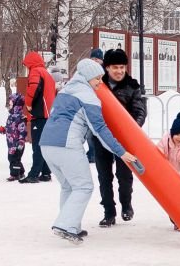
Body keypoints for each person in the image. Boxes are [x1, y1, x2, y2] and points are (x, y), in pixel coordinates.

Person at [39, 59, 137, 243]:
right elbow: (100, 129)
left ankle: (71, 225)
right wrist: (121, 152)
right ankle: (65, 224)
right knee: (84, 186)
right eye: (97, 78)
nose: (100, 82)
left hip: (46, 144)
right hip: (66, 145)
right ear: (86, 77)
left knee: (69, 186)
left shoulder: (65, 91)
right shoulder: (88, 96)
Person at [94, 48, 147, 226]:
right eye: (115, 67)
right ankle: (109, 212)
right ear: (107, 68)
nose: (119, 71)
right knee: (104, 176)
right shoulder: (98, 85)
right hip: (101, 138)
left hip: (124, 140)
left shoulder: (132, 86)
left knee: (124, 175)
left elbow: (140, 111)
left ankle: (126, 205)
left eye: (122, 67)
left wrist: (131, 129)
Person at [20, 51, 56, 183]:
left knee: (38, 146)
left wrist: (28, 105)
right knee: (45, 145)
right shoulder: (46, 73)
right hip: (48, 115)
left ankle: (34, 174)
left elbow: (33, 89)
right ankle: (46, 173)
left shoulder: (35, 72)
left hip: (40, 114)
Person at [4, 94, 27, 182]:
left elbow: (22, 130)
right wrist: (3, 129)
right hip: (10, 143)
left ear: (16, 104)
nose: (9, 105)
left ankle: (14, 174)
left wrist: (21, 140)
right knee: (12, 158)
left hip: (18, 143)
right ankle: (21, 172)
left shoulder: (20, 117)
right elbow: (10, 128)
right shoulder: (11, 116)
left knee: (15, 159)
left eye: (11, 103)